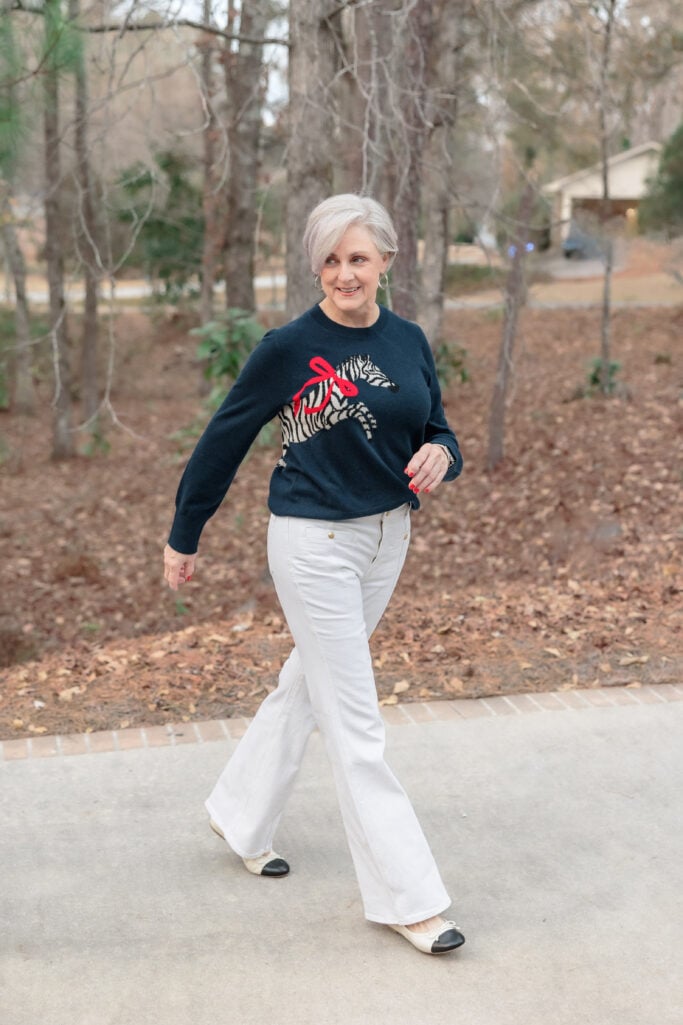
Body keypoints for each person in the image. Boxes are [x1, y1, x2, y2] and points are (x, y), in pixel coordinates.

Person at [163, 194, 465, 956]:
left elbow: (436, 428)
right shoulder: (288, 347)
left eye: (357, 258)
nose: (343, 274)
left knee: (308, 684)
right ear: (315, 266)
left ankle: (237, 810)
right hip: (310, 542)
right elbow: (224, 437)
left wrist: (445, 455)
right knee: (357, 724)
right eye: (329, 260)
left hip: (385, 537)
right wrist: (184, 532)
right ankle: (409, 898)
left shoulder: (409, 340)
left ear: (385, 262)